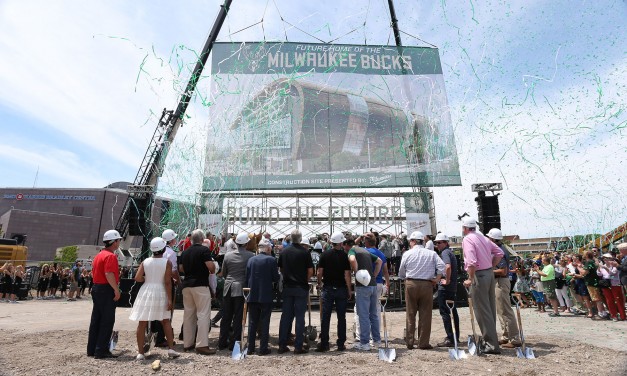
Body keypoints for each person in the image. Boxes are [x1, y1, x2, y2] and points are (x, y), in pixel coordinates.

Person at [129, 237, 180, 360]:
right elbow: (167, 282)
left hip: (146, 291)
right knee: (165, 321)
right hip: (160, 290)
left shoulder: (145, 261)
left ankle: (140, 352)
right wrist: (169, 299)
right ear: (163, 249)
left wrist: (146, 280)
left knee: (142, 322)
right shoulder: (167, 262)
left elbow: (137, 278)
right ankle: (171, 349)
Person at [461, 217, 504, 354]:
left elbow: (472, 262)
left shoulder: (468, 239)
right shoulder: (483, 238)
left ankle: (490, 344)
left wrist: (470, 278)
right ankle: (492, 341)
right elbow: (499, 253)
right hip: (489, 274)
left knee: (482, 310)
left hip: (479, 275)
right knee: (490, 309)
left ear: (465, 228)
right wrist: (490, 266)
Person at [398, 231, 444, 350]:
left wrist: (405, 278)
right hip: (427, 284)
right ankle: (423, 343)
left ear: (412, 241)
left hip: (411, 283)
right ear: (422, 241)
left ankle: (409, 341)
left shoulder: (407, 253)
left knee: (410, 313)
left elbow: (401, 271)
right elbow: (442, 266)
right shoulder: (432, 253)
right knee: (425, 314)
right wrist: (437, 279)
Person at [179, 229, 216, 355]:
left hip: (187, 285)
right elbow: (211, 267)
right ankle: (202, 344)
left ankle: (187, 343)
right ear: (202, 239)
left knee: (189, 314)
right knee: (203, 314)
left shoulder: (185, 252)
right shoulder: (204, 250)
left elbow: (181, 268)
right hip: (200, 284)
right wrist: (213, 268)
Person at [278, 229, 314, 354]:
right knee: (300, 317)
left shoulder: (284, 251)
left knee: (285, 317)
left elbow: (281, 269)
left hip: (288, 287)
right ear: (300, 238)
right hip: (300, 287)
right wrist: (304, 280)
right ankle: (298, 346)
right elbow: (310, 271)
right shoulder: (305, 252)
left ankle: (282, 345)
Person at [87, 229, 122, 359]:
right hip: (106, 289)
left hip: (97, 287)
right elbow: (109, 274)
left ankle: (92, 349)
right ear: (114, 242)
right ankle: (101, 350)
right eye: (118, 240)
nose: (119, 243)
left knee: (96, 319)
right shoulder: (110, 256)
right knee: (107, 320)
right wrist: (116, 289)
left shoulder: (99, 255)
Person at [315, 232, 352, 352]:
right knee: (342, 317)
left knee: (325, 317)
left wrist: (319, 283)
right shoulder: (344, 256)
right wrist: (349, 289)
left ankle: (324, 343)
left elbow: (320, 272)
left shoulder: (324, 255)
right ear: (341, 243)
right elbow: (347, 275)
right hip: (341, 288)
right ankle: (341, 343)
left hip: (328, 288)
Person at [218, 232, 255, 351]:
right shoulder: (251, 256)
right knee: (239, 317)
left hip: (228, 286)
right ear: (246, 243)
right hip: (241, 288)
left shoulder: (228, 255)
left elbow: (224, 273)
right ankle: (235, 342)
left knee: (226, 316)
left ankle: (222, 341)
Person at [345, 236, 382, 351]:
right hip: (373, 285)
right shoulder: (365, 250)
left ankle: (364, 343)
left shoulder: (352, 251)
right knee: (374, 314)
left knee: (363, 315)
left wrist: (357, 272)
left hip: (362, 286)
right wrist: (374, 275)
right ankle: (376, 340)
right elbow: (379, 261)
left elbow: (351, 259)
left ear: (347, 246)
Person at [245, 238, 279, 355]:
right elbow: (276, 278)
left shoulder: (251, 260)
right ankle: (263, 348)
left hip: (252, 294)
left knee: (252, 322)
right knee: (265, 322)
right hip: (266, 295)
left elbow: (247, 277)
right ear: (268, 248)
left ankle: (250, 347)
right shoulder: (271, 260)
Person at [487, 228, 521, 347]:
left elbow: (503, 271)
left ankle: (514, 338)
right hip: (499, 282)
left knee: (506, 310)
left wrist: (488, 272)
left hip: (501, 281)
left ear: (493, 239)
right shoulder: (500, 249)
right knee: (501, 310)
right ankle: (506, 336)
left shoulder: (499, 251)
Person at [152, 229, 181, 348]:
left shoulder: (154, 253)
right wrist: (179, 281)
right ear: (171, 240)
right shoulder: (171, 253)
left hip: (155, 283)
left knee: (155, 312)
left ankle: (155, 335)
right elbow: (173, 271)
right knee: (166, 312)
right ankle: (162, 338)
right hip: (167, 284)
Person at [434, 233, 460, 348]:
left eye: (439, 242)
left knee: (445, 312)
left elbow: (447, 266)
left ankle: (450, 338)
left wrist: (447, 280)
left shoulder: (445, 253)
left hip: (445, 287)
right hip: (451, 287)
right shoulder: (450, 252)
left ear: (445, 242)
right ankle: (455, 336)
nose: (437, 245)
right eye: (436, 243)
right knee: (453, 312)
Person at [579, 250, 609, 319]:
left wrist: (579, 267)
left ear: (586, 255)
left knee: (596, 298)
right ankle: (602, 312)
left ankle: (601, 313)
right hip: (594, 281)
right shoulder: (592, 261)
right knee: (597, 297)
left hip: (591, 282)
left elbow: (585, 272)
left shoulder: (588, 262)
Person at [597, 253, 625, 321]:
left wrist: (606, 268)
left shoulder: (614, 265)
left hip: (615, 284)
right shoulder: (603, 266)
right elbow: (599, 274)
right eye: (604, 259)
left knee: (618, 300)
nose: (606, 260)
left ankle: (622, 315)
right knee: (609, 300)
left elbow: (613, 273)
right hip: (606, 285)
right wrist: (599, 267)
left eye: (607, 259)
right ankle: (613, 315)